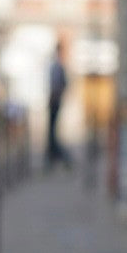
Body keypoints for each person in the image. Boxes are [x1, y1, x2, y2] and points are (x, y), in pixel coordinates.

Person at [46, 37, 73, 170]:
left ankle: (59, 157)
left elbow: (61, 84)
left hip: (55, 101)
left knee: (52, 133)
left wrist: (56, 95)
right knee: (51, 132)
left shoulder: (58, 66)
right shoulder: (57, 65)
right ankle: (53, 158)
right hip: (54, 101)